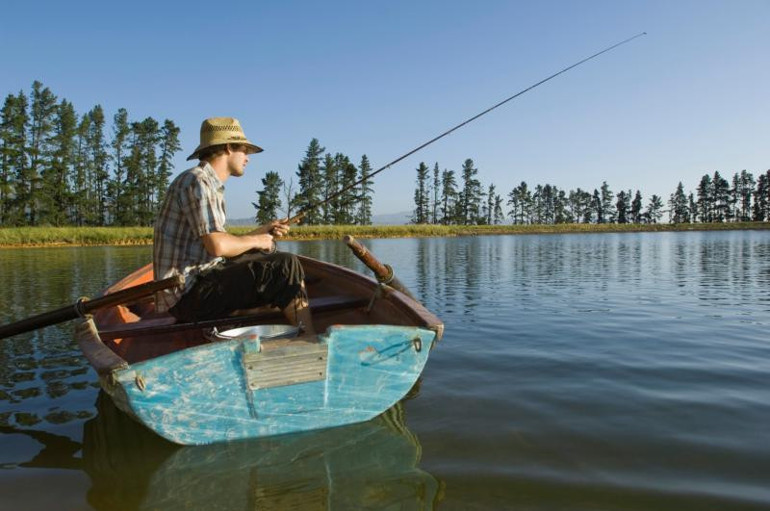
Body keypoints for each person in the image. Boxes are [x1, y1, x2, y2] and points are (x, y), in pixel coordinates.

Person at [153, 117, 314, 334]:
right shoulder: (197, 181)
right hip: (188, 298)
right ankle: (309, 338)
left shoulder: (206, 183)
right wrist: (258, 240)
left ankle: (283, 315)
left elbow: (220, 243)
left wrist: (263, 232)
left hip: (199, 284)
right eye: (245, 150)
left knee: (266, 256)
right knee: (286, 265)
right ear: (229, 147)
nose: (247, 158)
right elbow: (218, 246)